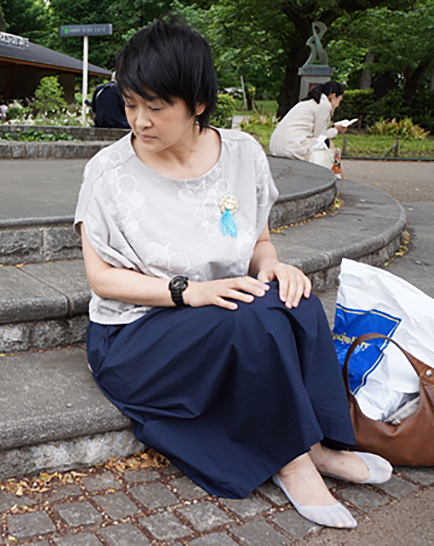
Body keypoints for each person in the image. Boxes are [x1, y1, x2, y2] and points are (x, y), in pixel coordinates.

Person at [74, 17, 392, 530]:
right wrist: (189, 291)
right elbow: (104, 280)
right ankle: (291, 462)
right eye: (132, 104)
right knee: (251, 319)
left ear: (197, 103)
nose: (140, 121)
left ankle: (319, 445)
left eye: (156, 107)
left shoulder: (241, 155)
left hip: (223, 308)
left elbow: (258, 244)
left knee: (296, 299)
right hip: (135, 333)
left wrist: (275, 267)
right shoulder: (108, 173)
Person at [269, 81, 347, 175]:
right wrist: (336, 130)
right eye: (339, 100)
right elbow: (319, 137)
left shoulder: (311, 101)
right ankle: (340, 179)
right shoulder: (324, 104)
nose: (338, 105)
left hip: (277, 146)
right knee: (329, 144)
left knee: (327, 144)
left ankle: (341, 178)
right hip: (292, 147)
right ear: (333, 96)